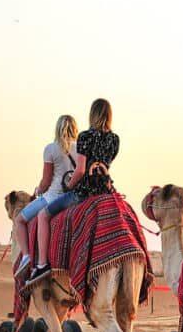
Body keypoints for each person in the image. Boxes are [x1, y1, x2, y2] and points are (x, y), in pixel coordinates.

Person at [27, 98, 119, 282]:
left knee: (43, 215)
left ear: (92, 114)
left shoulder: (85, 136)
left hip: (84, 192)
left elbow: (81, 170)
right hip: (106, 191)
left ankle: (42, 265)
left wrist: (69, 186)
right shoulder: (115, 139)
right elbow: (105, 165)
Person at [12, 115, 79, 277]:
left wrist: (37, 190)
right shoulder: (80, 148)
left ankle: (28, 256)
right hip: (73, 198)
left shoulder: (51, 149)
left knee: (19, 220)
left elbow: (46, 181)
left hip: (52, 197)